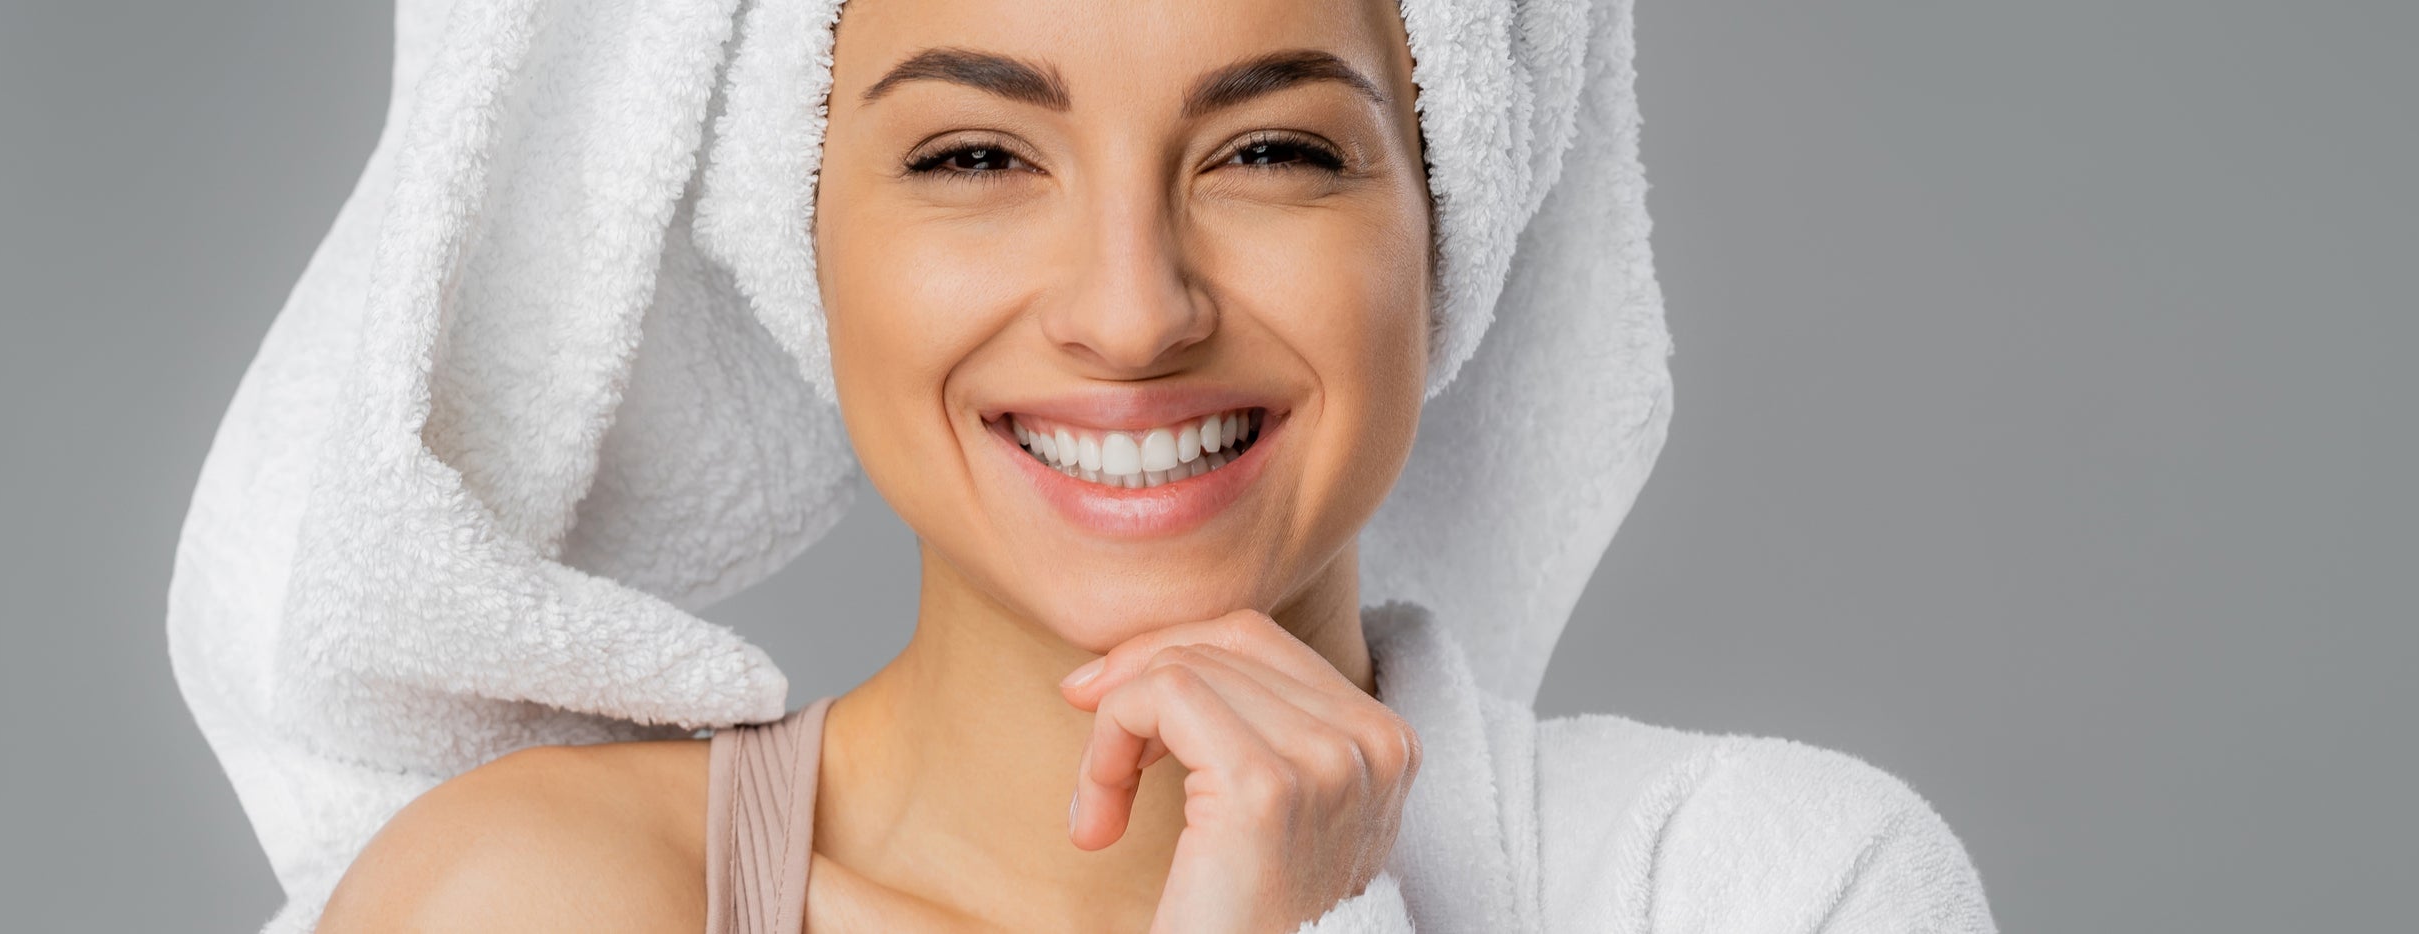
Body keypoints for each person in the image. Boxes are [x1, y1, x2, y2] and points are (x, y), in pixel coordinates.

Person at [168, 0, 1997, 931]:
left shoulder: (1752, 891)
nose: (1133, 312)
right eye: (974, 157)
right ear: (801, 234)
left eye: (1274, 151)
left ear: (1456, 217)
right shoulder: (541, 907)